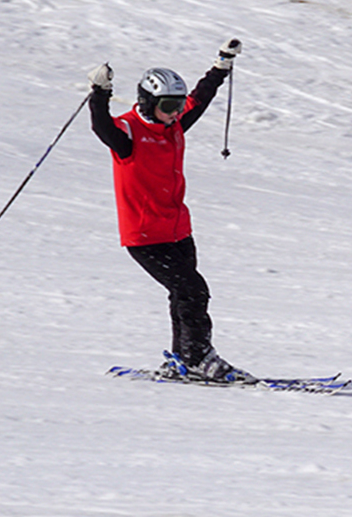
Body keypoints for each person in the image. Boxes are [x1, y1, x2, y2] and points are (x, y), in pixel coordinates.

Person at [87, 38, 246, 381]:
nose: (176, 113)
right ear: (147, 101)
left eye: (176, 105)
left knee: (183, 294)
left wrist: (221, 66)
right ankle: (198, 357)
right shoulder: (128, 133)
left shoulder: (171, 124)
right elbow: (101, 126)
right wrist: (100, 91)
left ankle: (181, 358)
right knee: (194, 290)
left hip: (178, 231)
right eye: (168, 105)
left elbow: (199, 100)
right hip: (145, 236)